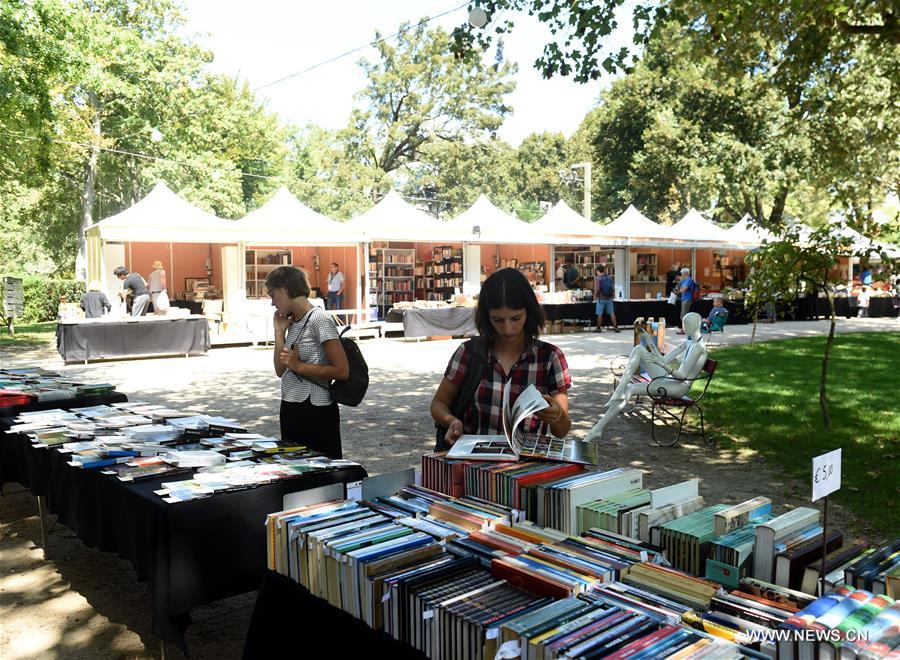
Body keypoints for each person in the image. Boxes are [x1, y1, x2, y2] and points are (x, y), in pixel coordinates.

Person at [430, 268, 572, 448]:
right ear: (486, 317)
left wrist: (556, 415)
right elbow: (439, 402)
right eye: (498, 320)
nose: (507, 329)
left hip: (525, 465)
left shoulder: (550, 358)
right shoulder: (469, 352)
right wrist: (451, 420)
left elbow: (562, 430)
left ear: (529, 312)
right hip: (475, 461)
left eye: (516, 318)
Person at [585, 312, 708, 442]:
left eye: (686, 324)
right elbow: (663, 359)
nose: (683, 327)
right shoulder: (689, 343)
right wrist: (649, 341)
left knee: (630, 389)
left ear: (695, 325)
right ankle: (617, 393)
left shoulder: (699, 347)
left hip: (679, 387)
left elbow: (682, 376)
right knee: (639, 349)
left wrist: (662, 365)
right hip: (671, 380)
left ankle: (598, 428)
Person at [267, 266, 349, 459]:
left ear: (285, 289)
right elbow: (280, 370)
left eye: (273, 294)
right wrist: (279, 332)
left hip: (315, 409)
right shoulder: (293, 321)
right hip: (290, 405)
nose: (272, 302)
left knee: (321, 471)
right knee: (295, 469)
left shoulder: (319, 319)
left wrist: (299, 366)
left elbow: (342, 370)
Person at [593, 266, 619, 333]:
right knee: (612, 313)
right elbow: (612, 288)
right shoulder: (609, 277)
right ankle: (616, 327)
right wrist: (613, 296)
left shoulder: (598, 278)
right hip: (609, 298)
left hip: (601, 299)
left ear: (598, 271)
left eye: (597, 272)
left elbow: (597, 289)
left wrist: (595, 296)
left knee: (599, 313)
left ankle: (598, 328)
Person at [677, 267, 694, 334]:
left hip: (687, 299)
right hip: (683, 298)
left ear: (685, 273)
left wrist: (682, 289)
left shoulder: (689, 280)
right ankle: (684, 328)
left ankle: (684, 329)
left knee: (684, 315)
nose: (681, 275)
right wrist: (681, 289)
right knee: (682, 314)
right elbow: (680, 288)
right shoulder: (684, 280)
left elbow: (683, 290)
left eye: (682, 274)